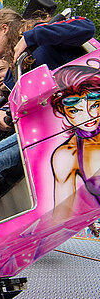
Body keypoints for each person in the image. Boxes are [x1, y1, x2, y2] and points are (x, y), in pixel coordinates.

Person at [0, 7, 95, 224]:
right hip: (44, 130)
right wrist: (4, 115)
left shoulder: (42, 35)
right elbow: (24, 108)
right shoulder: (14, 74)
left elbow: (87, 27)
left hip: (72, 119)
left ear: (4, 28)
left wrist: (32, 36)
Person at [50, 63, 100, 219]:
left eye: (95, 105)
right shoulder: (67, 155)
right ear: (61, 109)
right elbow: (60, 219)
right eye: (75, 110)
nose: (89, 116)